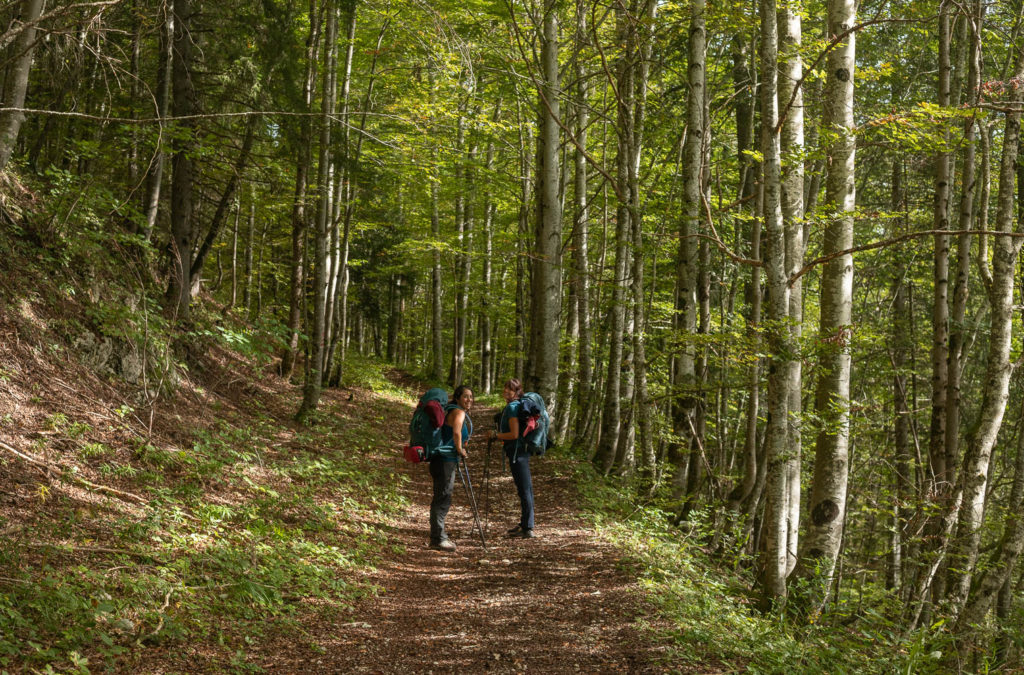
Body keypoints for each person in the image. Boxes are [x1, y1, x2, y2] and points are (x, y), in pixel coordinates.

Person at [429, 385, 474, 551]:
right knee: (443, 498)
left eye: (471, 397)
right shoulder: (459, 412)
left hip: (439, 459)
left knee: (441, 497)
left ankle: (437, 536)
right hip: (446, 460)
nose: (469, 400)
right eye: (465, 396)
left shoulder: (450, 409)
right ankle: (438, 538)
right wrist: (459, 449)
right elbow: (456, 433)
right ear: (457, 398)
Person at [490, 378, 535, 538]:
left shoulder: (512, 408)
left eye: (510, 389)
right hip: (520, 452)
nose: (506, 392)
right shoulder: (516, 406)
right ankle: (525, 524)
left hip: (518, 453)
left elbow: (514, 434)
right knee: (524, 488)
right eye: (505, 388)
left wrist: (496, 435)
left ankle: (528, 527)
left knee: (524, 489)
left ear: (517, 391)